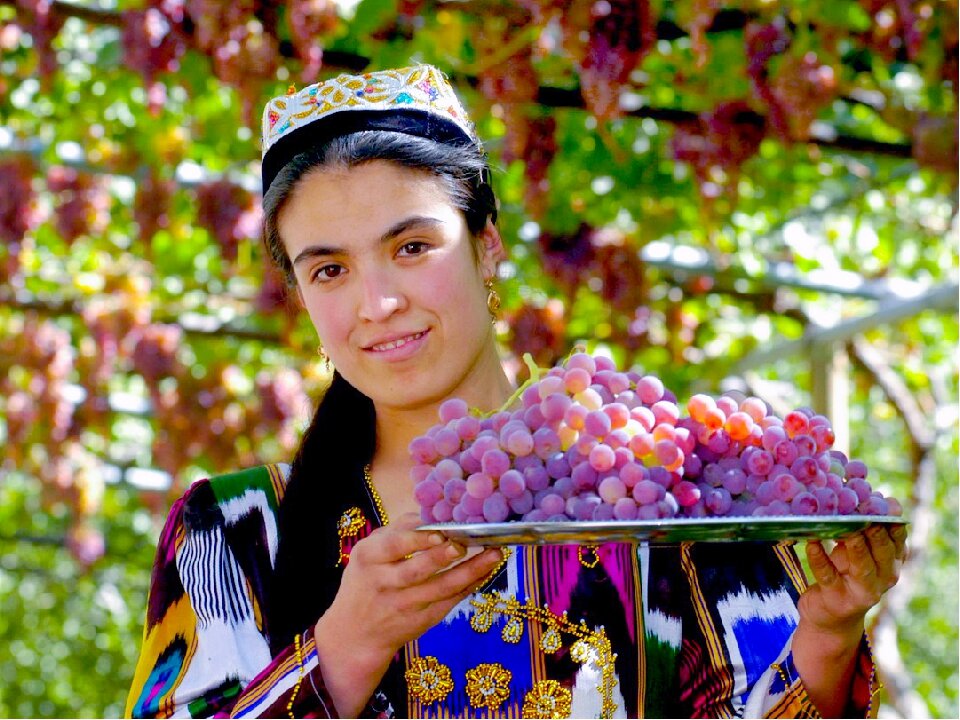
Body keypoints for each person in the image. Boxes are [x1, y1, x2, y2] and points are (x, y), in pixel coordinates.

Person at [126, 64, 907, 719]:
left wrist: (830, 643)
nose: (377, 302)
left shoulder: (660, 492)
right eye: (329, 269)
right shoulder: (230, 534)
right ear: (300, 292)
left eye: (411, 246)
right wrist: (346, 649)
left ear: (488, 244)